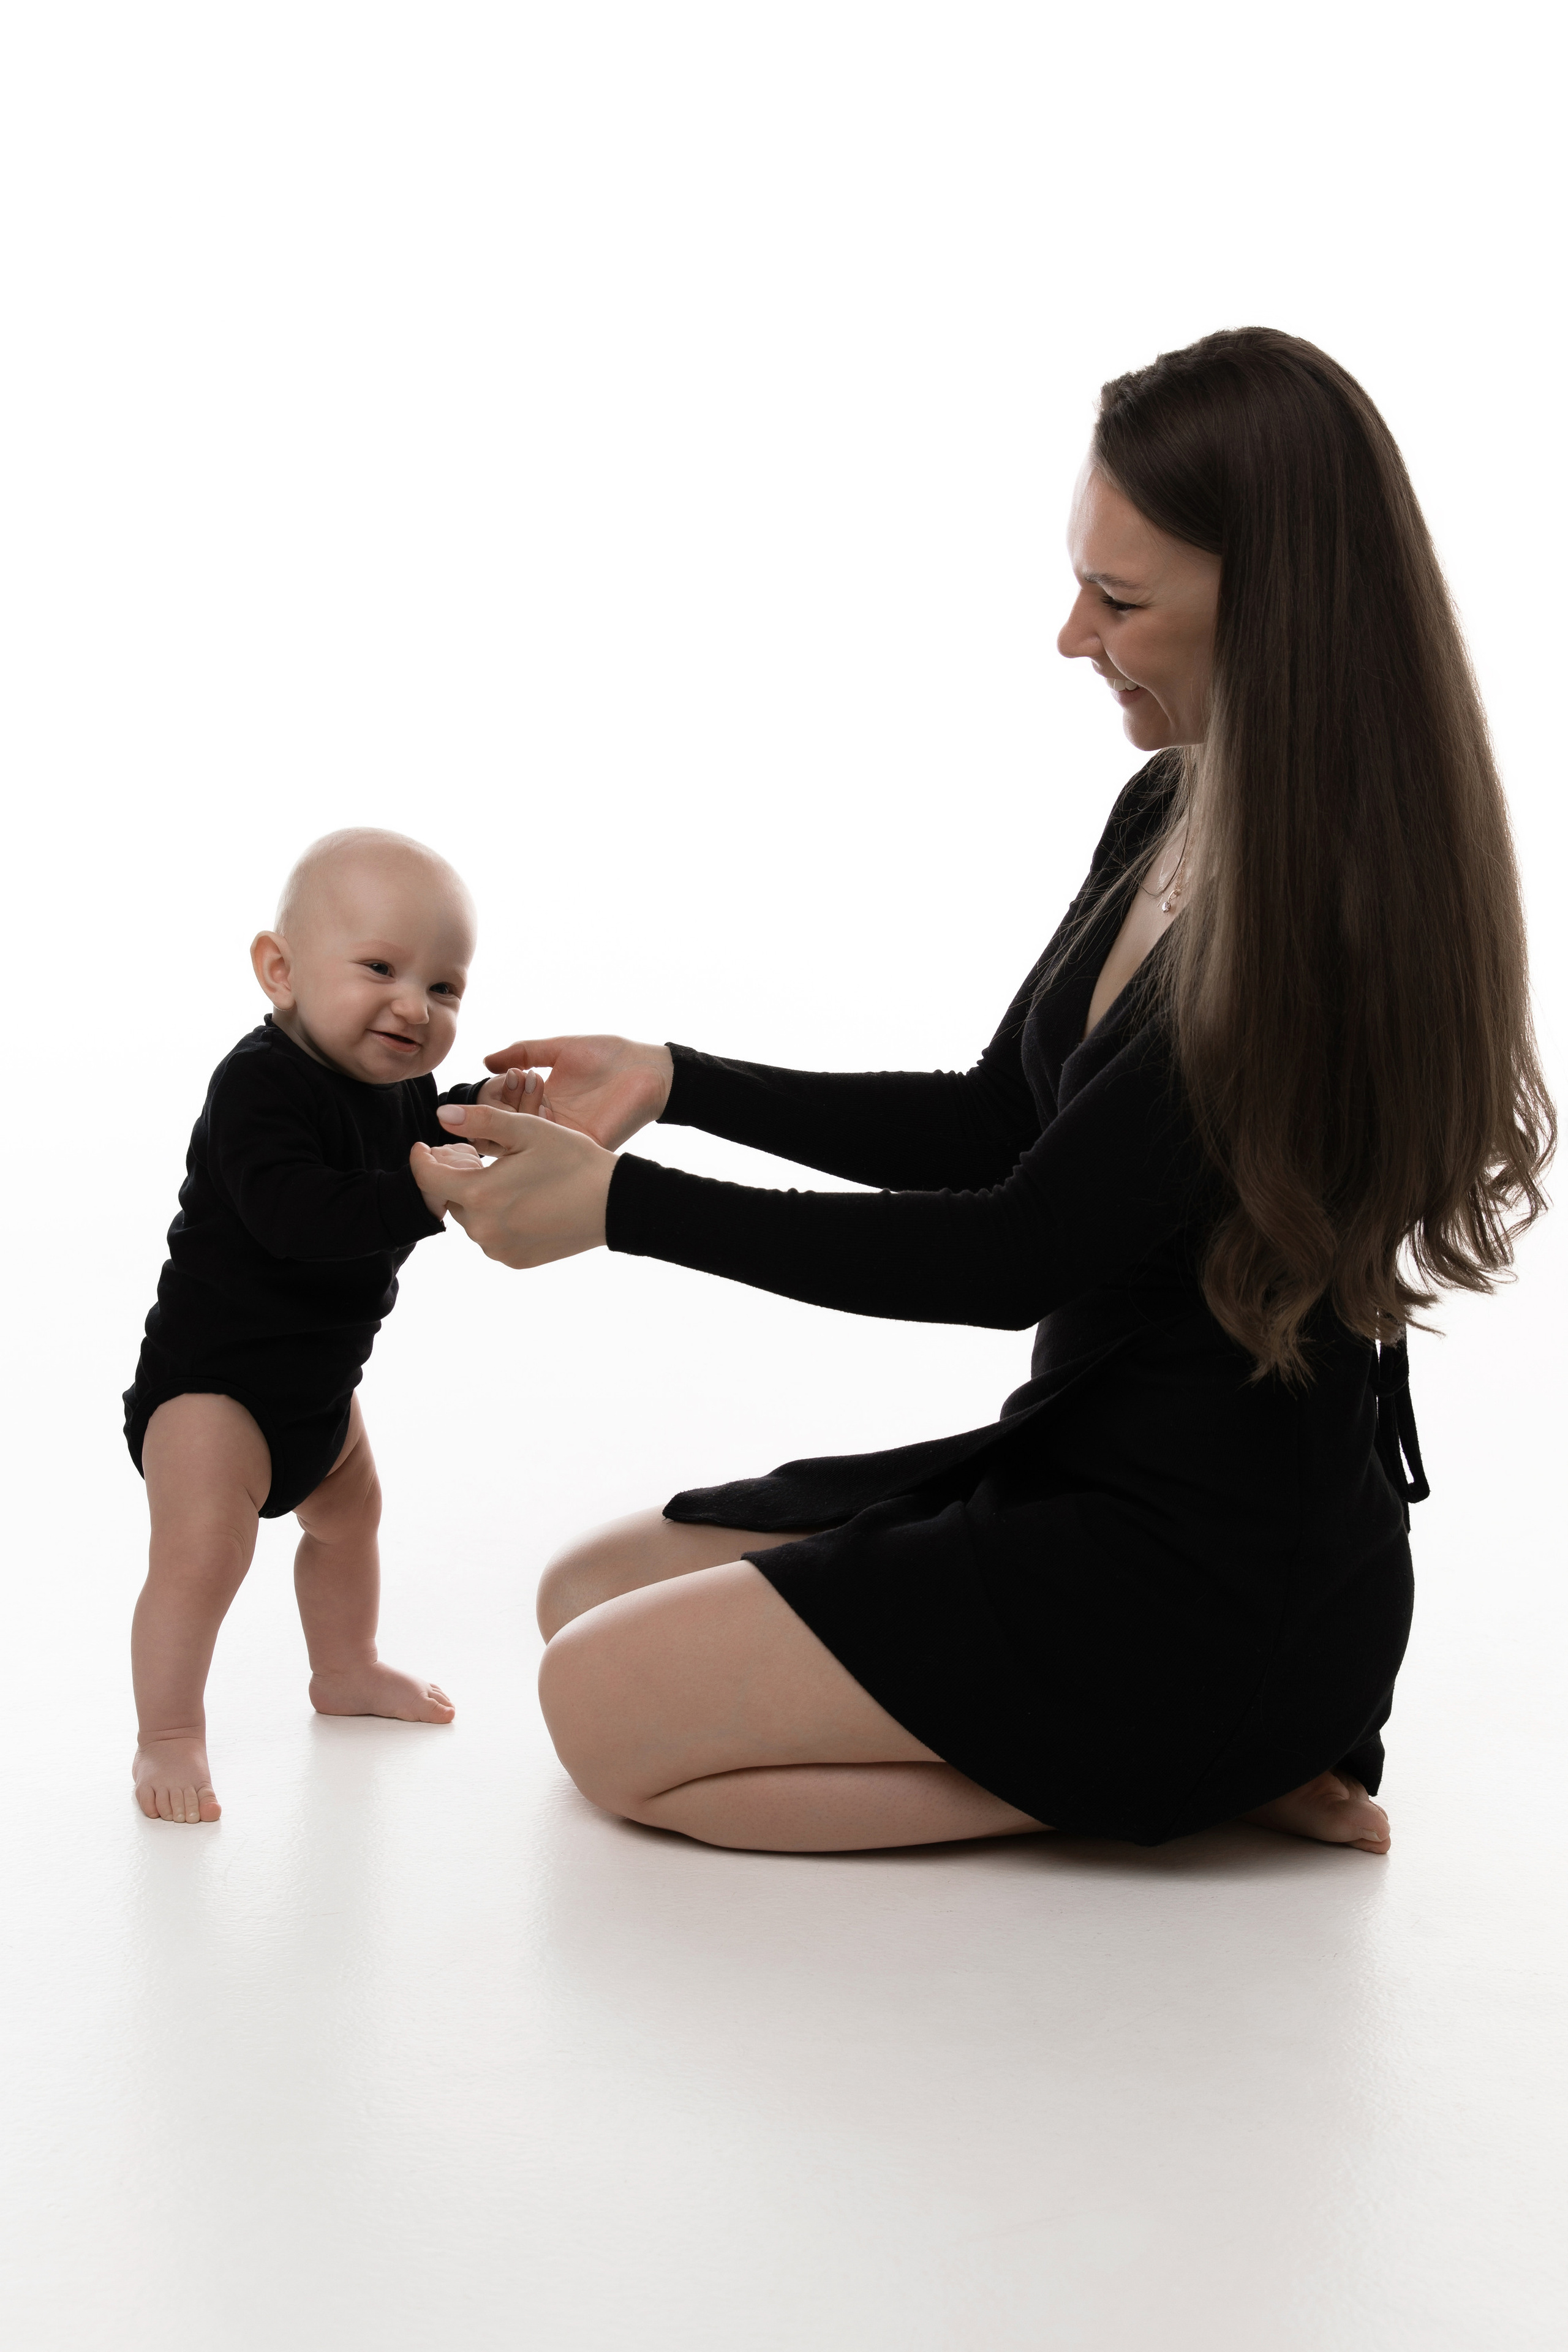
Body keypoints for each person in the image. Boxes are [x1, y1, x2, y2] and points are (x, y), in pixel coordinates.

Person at [422, 328, 1555, 1856]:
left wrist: (621, 1210)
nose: (1071, 635)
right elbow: (997, 1124)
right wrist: (678, 1083)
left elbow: (1009, 1254)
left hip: (1207, 1573)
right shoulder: (1171, 805)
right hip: (1081, 1468)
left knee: (600, 1718)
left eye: (1120, 598)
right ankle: (1207, 1753)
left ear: (1272, 604)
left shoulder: (1311, 924)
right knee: (584, 1593)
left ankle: (1203, 1759)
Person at [123, 827, 524, 1824]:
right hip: (212, 1387)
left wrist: (490, 1113)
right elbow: (296, 1216)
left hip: (319, 1390)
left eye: (445, 988)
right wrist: (421, 1195)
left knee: (350, 1520)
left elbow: (423, 1143)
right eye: (382, 968)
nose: (414, 1006)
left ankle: (346, 1667)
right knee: (204, 1554)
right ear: (281, 972)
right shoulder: (258, 1085)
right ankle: (166, 1736)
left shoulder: (398, 1088)